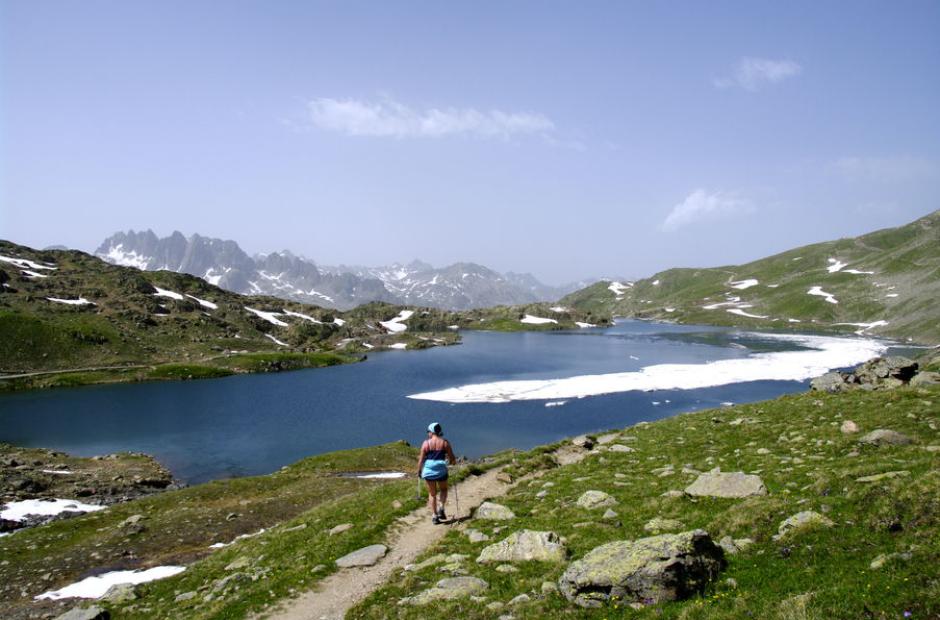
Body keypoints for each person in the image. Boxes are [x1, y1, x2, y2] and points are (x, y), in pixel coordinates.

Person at [417, 421, 457, 524]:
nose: (427, 433)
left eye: (428, 431)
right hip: (441, 471)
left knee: (432, 493)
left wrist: (419, 471)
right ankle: (441, 508)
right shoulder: (445, 443)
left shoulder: (426, 443)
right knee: (443, 489)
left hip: (429, 472)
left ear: (431, 432)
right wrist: (452, 462)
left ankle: (434, 516)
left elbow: (421, 460)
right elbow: (452, 458)